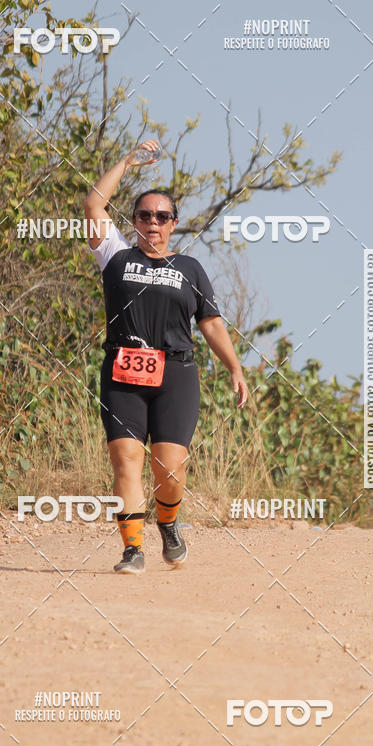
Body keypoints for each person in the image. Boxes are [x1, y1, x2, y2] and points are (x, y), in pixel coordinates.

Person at [84, 140, 248, 574]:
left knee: (169, 470)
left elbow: (210, 323)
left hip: (176, 373)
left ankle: (169, 523)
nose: (152, 223)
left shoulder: (190, 269)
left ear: (174, 223)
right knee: (126, 460)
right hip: (122, 371)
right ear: (134, 220)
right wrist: (126, 162)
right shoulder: (115, 255)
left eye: (161, 217)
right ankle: (132, 550)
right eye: (144, 215)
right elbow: (94, 204)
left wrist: (234, 367)